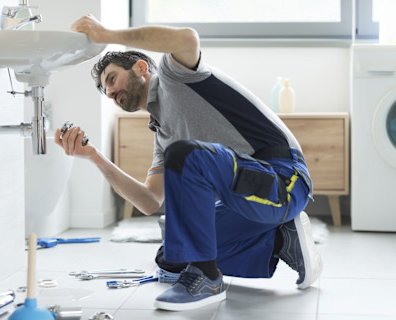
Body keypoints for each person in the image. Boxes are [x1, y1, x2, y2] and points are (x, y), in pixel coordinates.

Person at [55, 14, 323, 312]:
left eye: (112, 80)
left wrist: (107, 34)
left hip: (284, 179)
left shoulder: (174, 74)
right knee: (172, 252)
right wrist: (93, 156)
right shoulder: (162, 134)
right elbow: (148, 201)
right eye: (108, 94)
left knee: (185, 156)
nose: (112, 94)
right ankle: (281, 240)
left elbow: (186, 39)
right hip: (250, 200)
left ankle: (207, 278)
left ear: (141, 68)